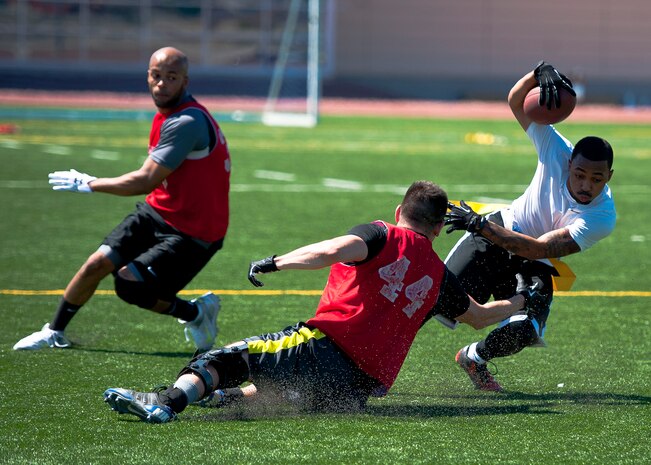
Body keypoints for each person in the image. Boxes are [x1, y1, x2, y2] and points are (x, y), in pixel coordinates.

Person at [102, 180, 548, 423]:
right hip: (359, 389)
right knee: (273, 393)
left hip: (326, 348)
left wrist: (275, 262)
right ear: (436, 231)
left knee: (224, 358)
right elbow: (478, 317)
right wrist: (519, 300)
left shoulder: (382, 234)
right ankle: (216, 399)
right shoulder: (439, 276)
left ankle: (164, 402)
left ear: (399, 211)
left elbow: (331, 250)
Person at [13, 47, 230, 352]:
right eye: (156, 76)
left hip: (194, 231)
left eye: (171, 77)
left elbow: (144, 180)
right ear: (148, 76)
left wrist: (89, 183)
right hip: (160, 209)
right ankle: (54, 332)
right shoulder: (166, 115)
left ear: (185, 81)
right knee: (97, 263)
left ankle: (195, 314)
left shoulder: (187, 122)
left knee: (128, 284)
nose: (161, 84)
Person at [445, 61, 616, 392]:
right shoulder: (556, 149)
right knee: (429, 299)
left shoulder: (602, 217)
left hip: (528, 255)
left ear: (608, 178)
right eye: (579, 174)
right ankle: (367, 362)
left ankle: (474, 358)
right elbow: (515, 100)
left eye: (596, 179)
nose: (585, 185)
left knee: (527, 332)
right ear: (570, 164)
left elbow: (536, 249)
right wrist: (538, 73)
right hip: (500, 229)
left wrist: (478, 224)